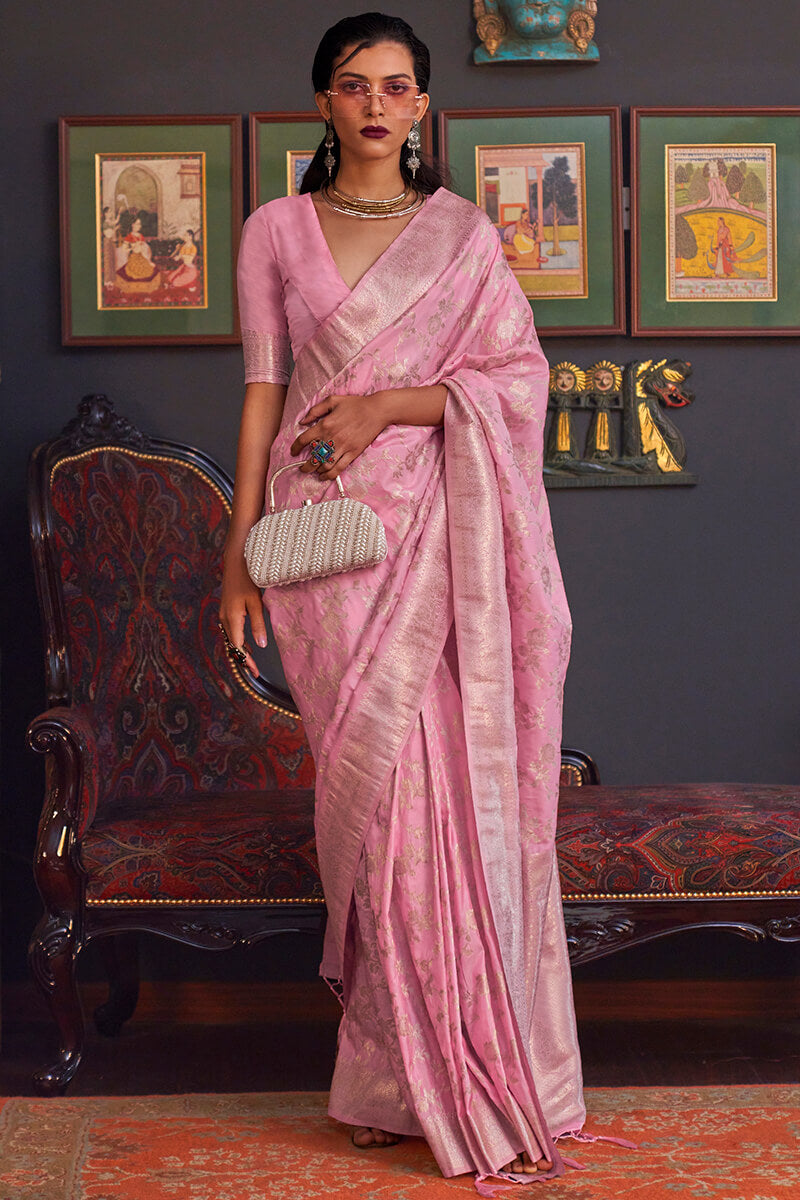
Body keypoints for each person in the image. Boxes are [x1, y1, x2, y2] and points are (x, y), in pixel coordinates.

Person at [220, 12, 586, 1188]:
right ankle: (387, 1072)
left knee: (442, 801)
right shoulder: (273, 230)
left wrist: (387, 406)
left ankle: (440, 1068)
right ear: (321, 102)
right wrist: (238, 550)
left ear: (422, 104)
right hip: (325, 548)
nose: (374, 104)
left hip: (438, 529)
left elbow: (515, 381)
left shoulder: (464, 235)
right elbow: (262, 395)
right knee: (374, 812)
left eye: (394, 86)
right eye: (351, 84)